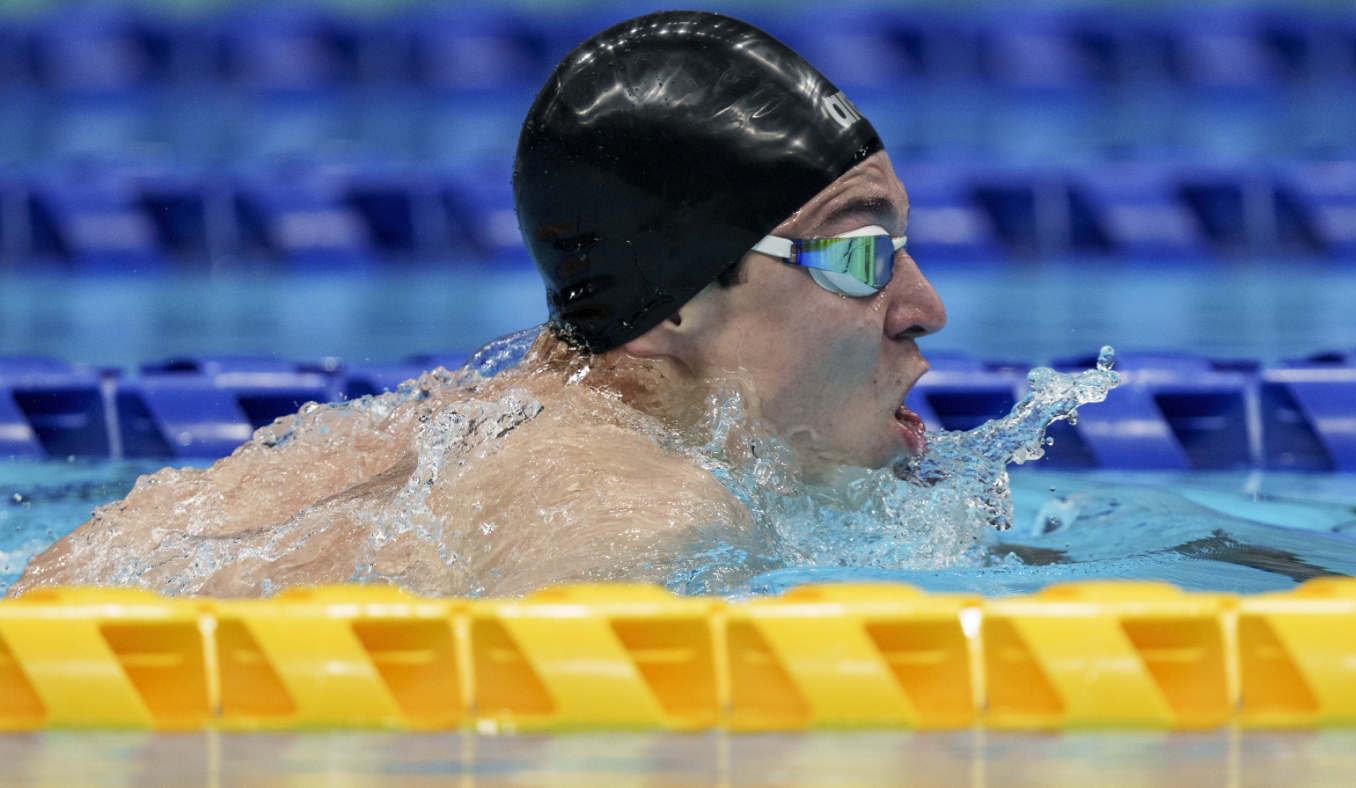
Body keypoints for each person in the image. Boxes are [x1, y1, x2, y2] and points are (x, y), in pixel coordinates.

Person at [9, 11, 944, 598]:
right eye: (859, 255)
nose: (924, 306)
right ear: (673, 304)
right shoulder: (645, 516)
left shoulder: (435, 436)